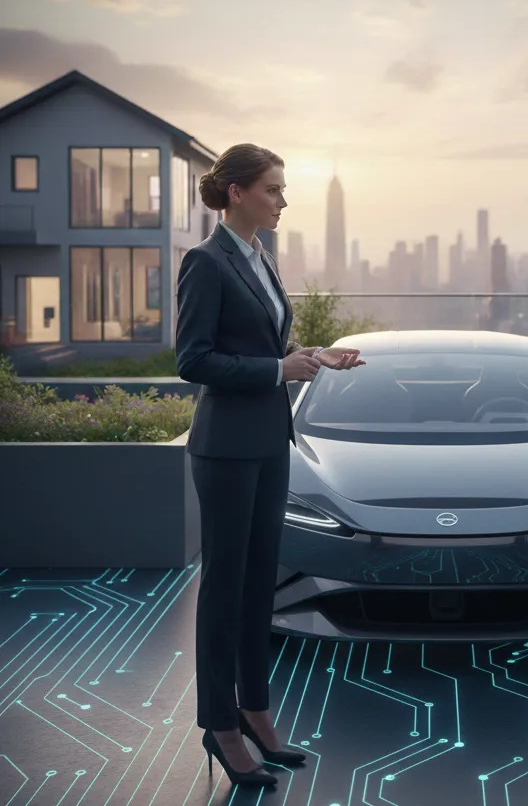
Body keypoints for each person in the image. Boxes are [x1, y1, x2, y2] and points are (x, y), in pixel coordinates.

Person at [175, 143, 364, 787]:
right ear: (236, 193)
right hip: (226, 448)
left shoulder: (261, 258)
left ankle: (255, 711)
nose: (283, 200)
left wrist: (313, 354)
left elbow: (266, 344)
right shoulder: (205, 261)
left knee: (261, 588)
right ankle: (219, 726)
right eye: (273, 189)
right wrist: (276, 370)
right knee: (224, 592)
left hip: (267, 443)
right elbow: (193, 360)